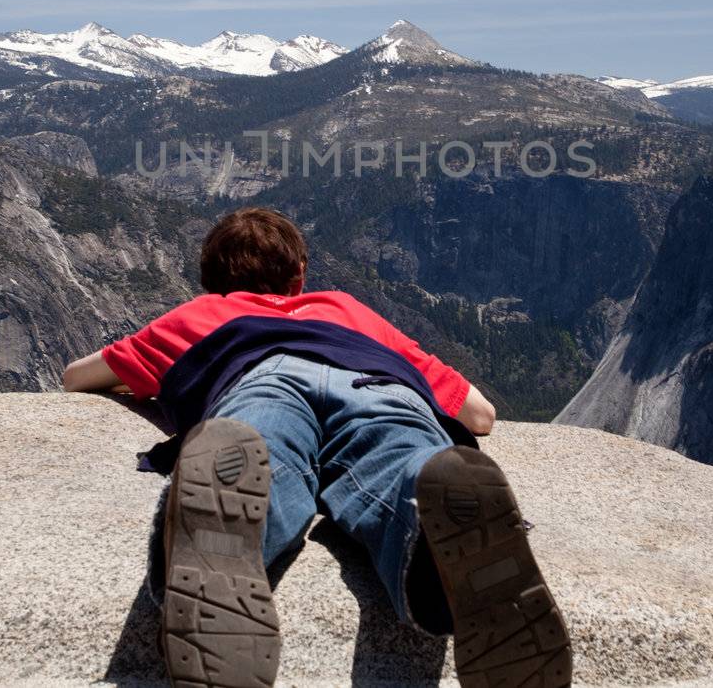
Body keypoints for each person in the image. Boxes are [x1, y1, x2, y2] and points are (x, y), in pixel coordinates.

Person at [62, 206, 571, 688]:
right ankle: (432, 519)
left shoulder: (202, 314)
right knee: (403, 455)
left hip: (262, 377)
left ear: (211, 279)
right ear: (299, 273)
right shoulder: (344, 308)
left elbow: (76, 377)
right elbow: (480, 414)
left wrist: (149, 377)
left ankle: (223, 532)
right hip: (372, 380)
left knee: (260, 454)